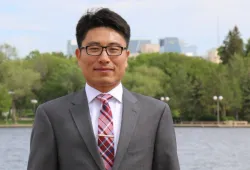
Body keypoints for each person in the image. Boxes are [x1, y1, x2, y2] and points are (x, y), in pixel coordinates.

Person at [27, 8, 180, 170]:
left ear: (127, 57)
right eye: (94, 49)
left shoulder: (156, 113)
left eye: (114, 49)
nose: (104, 58)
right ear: (78, 55)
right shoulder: (51, 115)